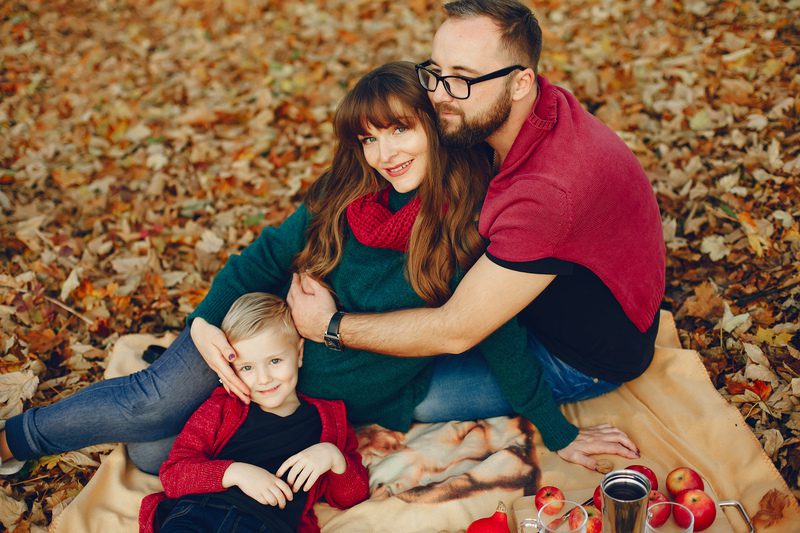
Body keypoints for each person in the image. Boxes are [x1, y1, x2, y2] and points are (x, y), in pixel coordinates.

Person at [0, 61, 636, 479]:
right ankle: (12, 441)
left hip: (318, 394)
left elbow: (494, 331)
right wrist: (202, 327)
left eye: (399, 131)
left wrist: (556, 432)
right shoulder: (346, 189)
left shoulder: (469, 222)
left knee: (151, 455)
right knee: (150, 407)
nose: (383, 154)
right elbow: (262, 259)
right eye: (367, 137)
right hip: (260, 341)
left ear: (435, 129)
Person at [287, 0, 666, 470]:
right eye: (435, 71)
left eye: (462, 79)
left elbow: (459, 330)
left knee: (378, 383)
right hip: (531, 299)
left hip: (577, 355)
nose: (440, 94)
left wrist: (328, 328)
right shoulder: (516, 112)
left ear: (521, 81)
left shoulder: (546, 192)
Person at [138, 292, 368, 533]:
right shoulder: (222, 408)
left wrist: (333, 457)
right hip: (201, 512)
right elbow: (174, 476)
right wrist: (235, 472)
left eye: (275, 361)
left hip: (266, 525)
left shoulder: (330, 422)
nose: (264, 378)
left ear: (298, 354)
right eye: (247, 367)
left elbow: (352, 497)